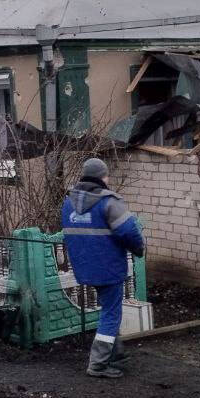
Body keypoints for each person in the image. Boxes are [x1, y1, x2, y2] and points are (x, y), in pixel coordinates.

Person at [61, 157, 145, 378]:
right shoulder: (109, 201)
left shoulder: (68, 202)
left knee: (109, 309)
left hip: (84, 267)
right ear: (103, 177)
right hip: (108, 267)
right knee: (111, 313)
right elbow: (129, 231)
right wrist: (139, 249)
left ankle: (115, 354)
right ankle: (98, 364)